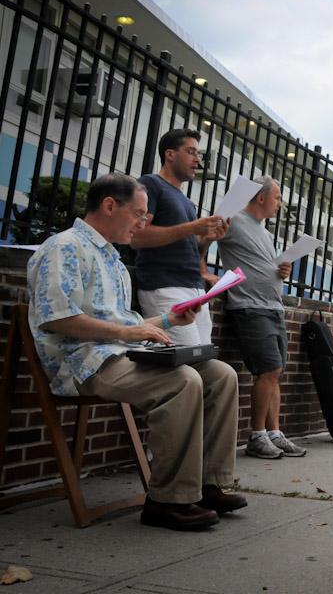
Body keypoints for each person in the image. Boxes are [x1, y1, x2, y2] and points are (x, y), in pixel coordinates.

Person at [25, 173, 246, 531]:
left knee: (221, 375)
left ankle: (207, 486)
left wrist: (169, 319)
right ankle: (167, 500)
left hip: (121, 352)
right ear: (110, 206)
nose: (143, 223)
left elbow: (122, 323)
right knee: (182, 381)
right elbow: (58, 318)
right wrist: (129, 332)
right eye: (139, 214)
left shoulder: (113, 259)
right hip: (84, 362)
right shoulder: (63, 247)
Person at [217, 176, 306, 459]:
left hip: (273, 307)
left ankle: (274, 433)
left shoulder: (265, 234)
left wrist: (281, 271)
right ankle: (256, 436)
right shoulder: (233, 220)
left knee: (275, 372)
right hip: (250, 306)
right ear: (261, 197)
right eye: (277, 198)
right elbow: (202, 241)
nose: (280, 204)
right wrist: (204, 273)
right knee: (268, 370)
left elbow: (265, 265)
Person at [131, 129, 228, 346]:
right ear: (170, 154)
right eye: (191, 152)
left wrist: (208, 239)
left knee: (203, 358)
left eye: (199, 154)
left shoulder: (187, 202)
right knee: (186, 359)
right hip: (165, 287)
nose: (198, 159)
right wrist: (192, 228)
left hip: (195, 290)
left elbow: (192, 252)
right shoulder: (150, 184)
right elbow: (137, 236)